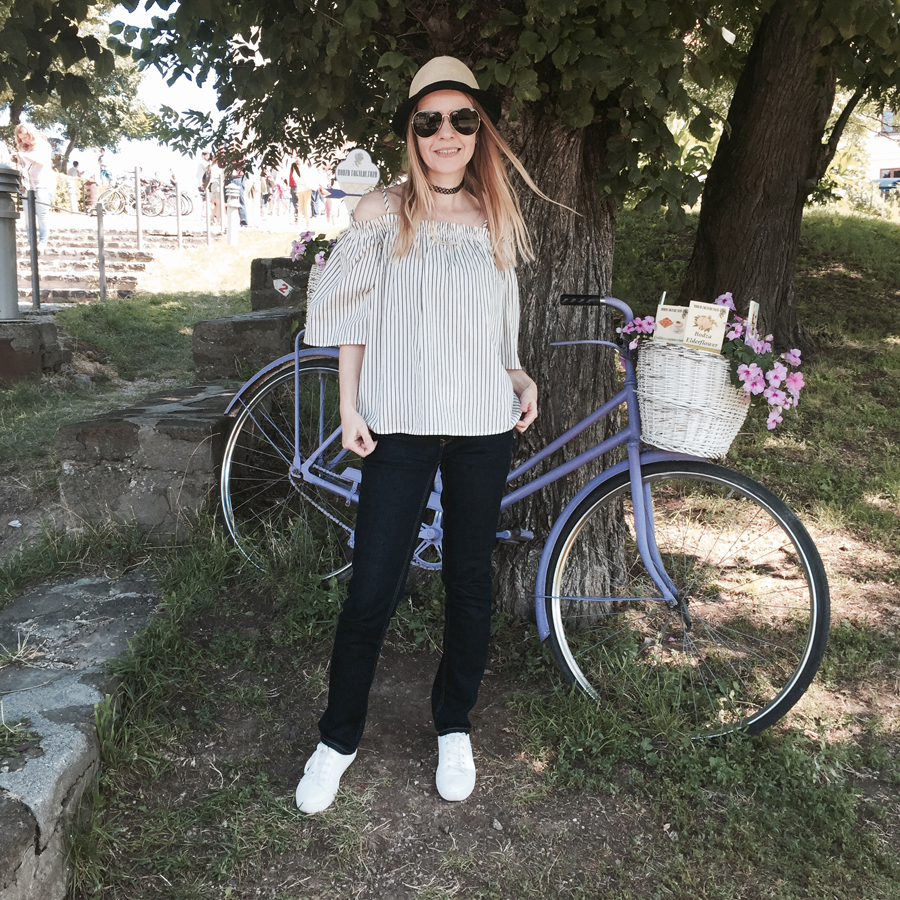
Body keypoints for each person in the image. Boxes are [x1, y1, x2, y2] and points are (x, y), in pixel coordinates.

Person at [295, 56, 546, 814]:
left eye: (461, 120)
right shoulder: (381, 212)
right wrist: (349, 407)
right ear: (411, 131)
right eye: (429, 120)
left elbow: (496, 325)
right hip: (397, 424)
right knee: (373, 585)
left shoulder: (496, 217)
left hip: (481, 424)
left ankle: (454, 726)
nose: (446, 133)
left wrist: (519, 374)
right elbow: (350, 317)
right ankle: (337, 739)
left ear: (479, 132)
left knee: (469, 584)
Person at [14, 123, 56, 253]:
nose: (23, 140)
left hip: (44, 183)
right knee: (28, 215)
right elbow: (24, 166)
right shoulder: (23, 148)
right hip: (29, 185)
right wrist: (19, 158)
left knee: (42, 213)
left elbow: (42, 162)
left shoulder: (43, 145)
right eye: (21, 138)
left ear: (31, 134)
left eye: (25, 137)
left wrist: (24, 156)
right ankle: (31, 242)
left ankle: (42, 242)